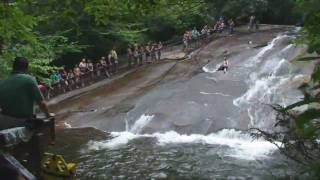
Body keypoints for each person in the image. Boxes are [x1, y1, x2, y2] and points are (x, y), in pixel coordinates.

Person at [0, 57, 53, 130]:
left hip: (4, 123)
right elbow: (41, 103)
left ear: (13, 67)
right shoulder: (29, 79)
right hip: (23, 122)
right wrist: (48, 115)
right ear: (26, 68)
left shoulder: (2, 82)